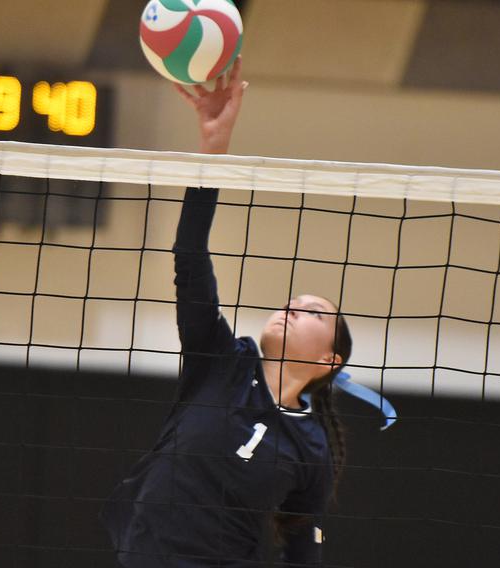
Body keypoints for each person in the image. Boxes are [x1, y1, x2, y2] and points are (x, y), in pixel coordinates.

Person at [100, 58, 352, 567]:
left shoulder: (311, 449)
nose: (293, 307)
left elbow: (303, 543)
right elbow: (190, 256)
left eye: (313, 314)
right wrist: (213, 150)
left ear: (329, 363)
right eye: (294, 301)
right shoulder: (220, 361)